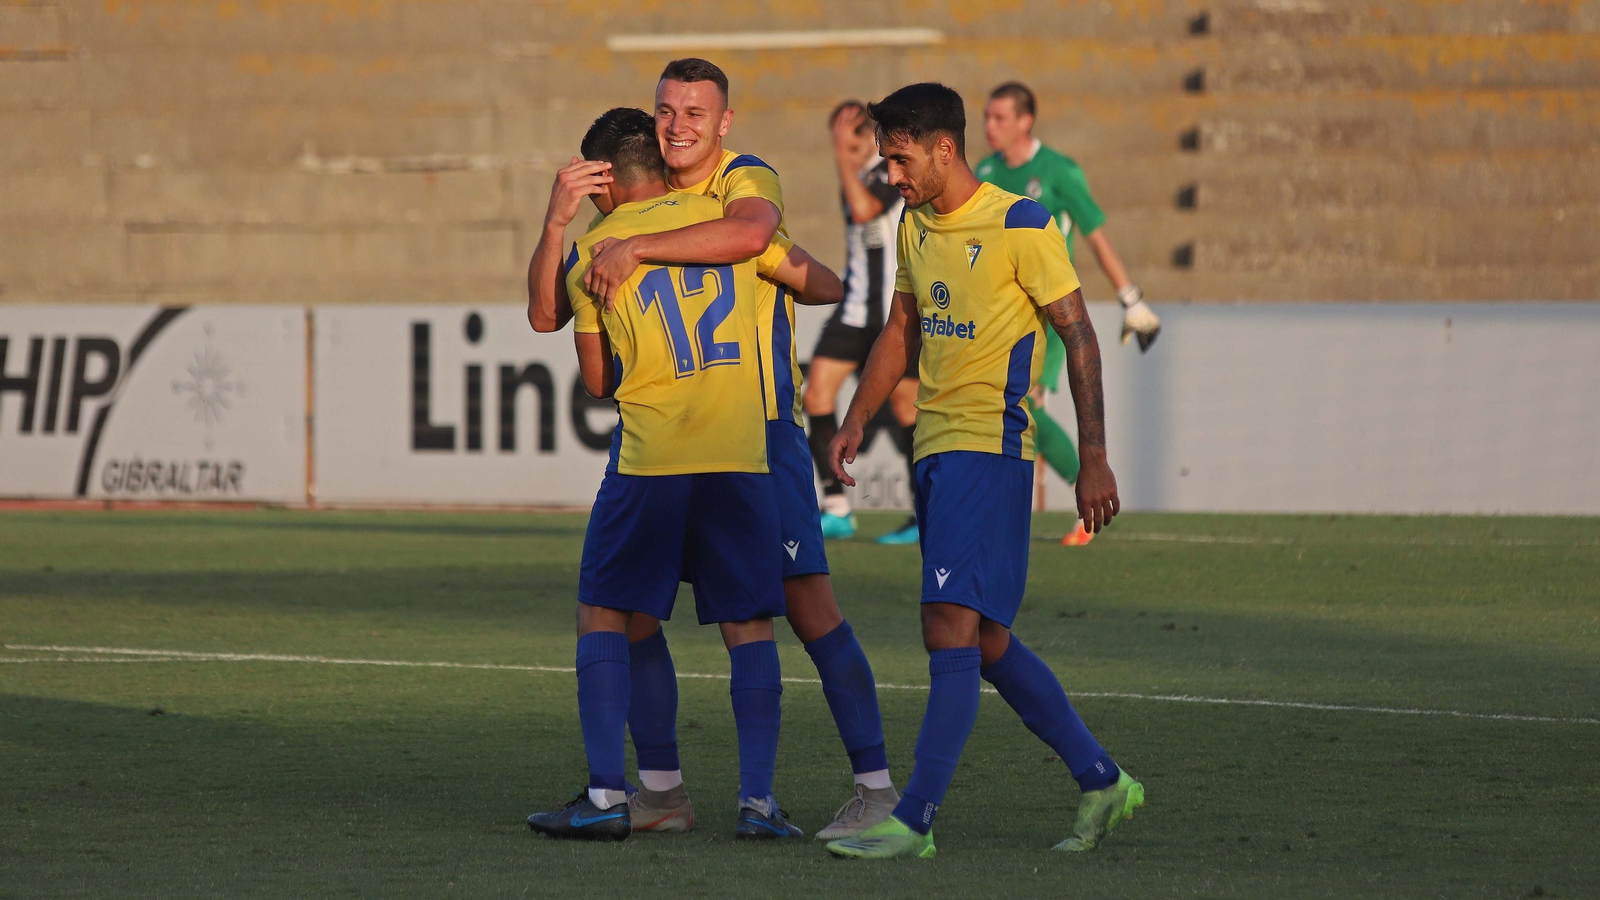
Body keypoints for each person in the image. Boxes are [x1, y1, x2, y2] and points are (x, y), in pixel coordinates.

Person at [526, 59, 900, 841]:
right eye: (667, 111)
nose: (680, 125)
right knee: (687, 615)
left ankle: (874, 786)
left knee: (802, 605)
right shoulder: (671, 212)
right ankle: (678, 794)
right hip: (715, 439)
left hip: (760, 430)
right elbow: (811, 276)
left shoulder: (743, 180)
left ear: (723, 122)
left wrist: (639, 249)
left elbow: (766, 240)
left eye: (695, 112)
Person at [823, 83, 1145, 860]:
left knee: (947, 627)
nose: (890, 176)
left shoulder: (1021, 223)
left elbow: (1081, 337)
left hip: (991, 446)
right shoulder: (914, 222)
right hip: (936, 448)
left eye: (898, 159)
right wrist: (860, 414)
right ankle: (1102, 780)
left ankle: (916, 819)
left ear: (943, 148)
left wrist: (1092, 455)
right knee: (988, 640)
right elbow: (902, 327)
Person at [977, 81, 1162, 545]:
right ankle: (1010, 507)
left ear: (1025, 121)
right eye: (986, 117)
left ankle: (1090, 495)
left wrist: (1131, 298)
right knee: (1006, 409)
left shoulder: (1059, 172)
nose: (989, 126)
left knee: (1025, 407)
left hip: (1051, 313)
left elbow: (1095, 235)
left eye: (999, 117)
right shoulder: (983, 171)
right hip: (999, 315)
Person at [803, 101, 919, 545]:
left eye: (849, 139)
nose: (843, 148)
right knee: (815, 393)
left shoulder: (890, 174)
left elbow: (868, 211)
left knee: (908, 410)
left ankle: (921, 512)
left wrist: (840, 157)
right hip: (854, 310)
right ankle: (835, 506)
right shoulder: (854, 180)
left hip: (894, 312)